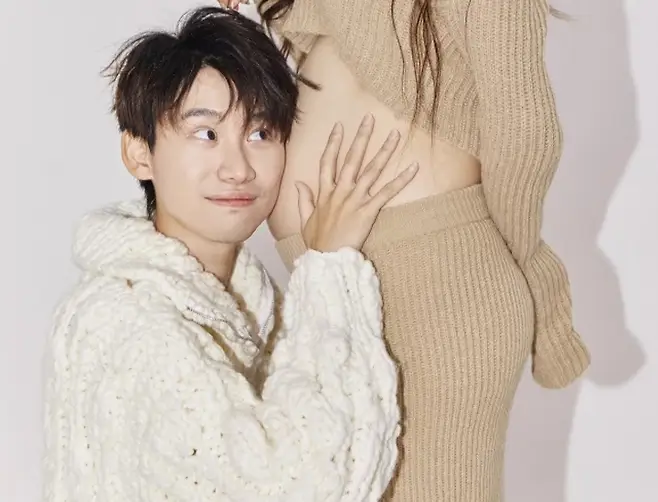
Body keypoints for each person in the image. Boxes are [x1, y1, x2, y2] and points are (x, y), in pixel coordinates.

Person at [42, 7, 421, 501]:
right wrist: (330, 270)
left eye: (260, 133)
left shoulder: (249, 306)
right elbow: (295, 487)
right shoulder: (123, 319)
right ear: (139, 153)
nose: (238, 168)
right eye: (207, 134)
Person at [219, 0, 592, 500]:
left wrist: (529, 262)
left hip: (438, 293)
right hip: (338, 284)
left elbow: (526, 134)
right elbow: (359, 34)